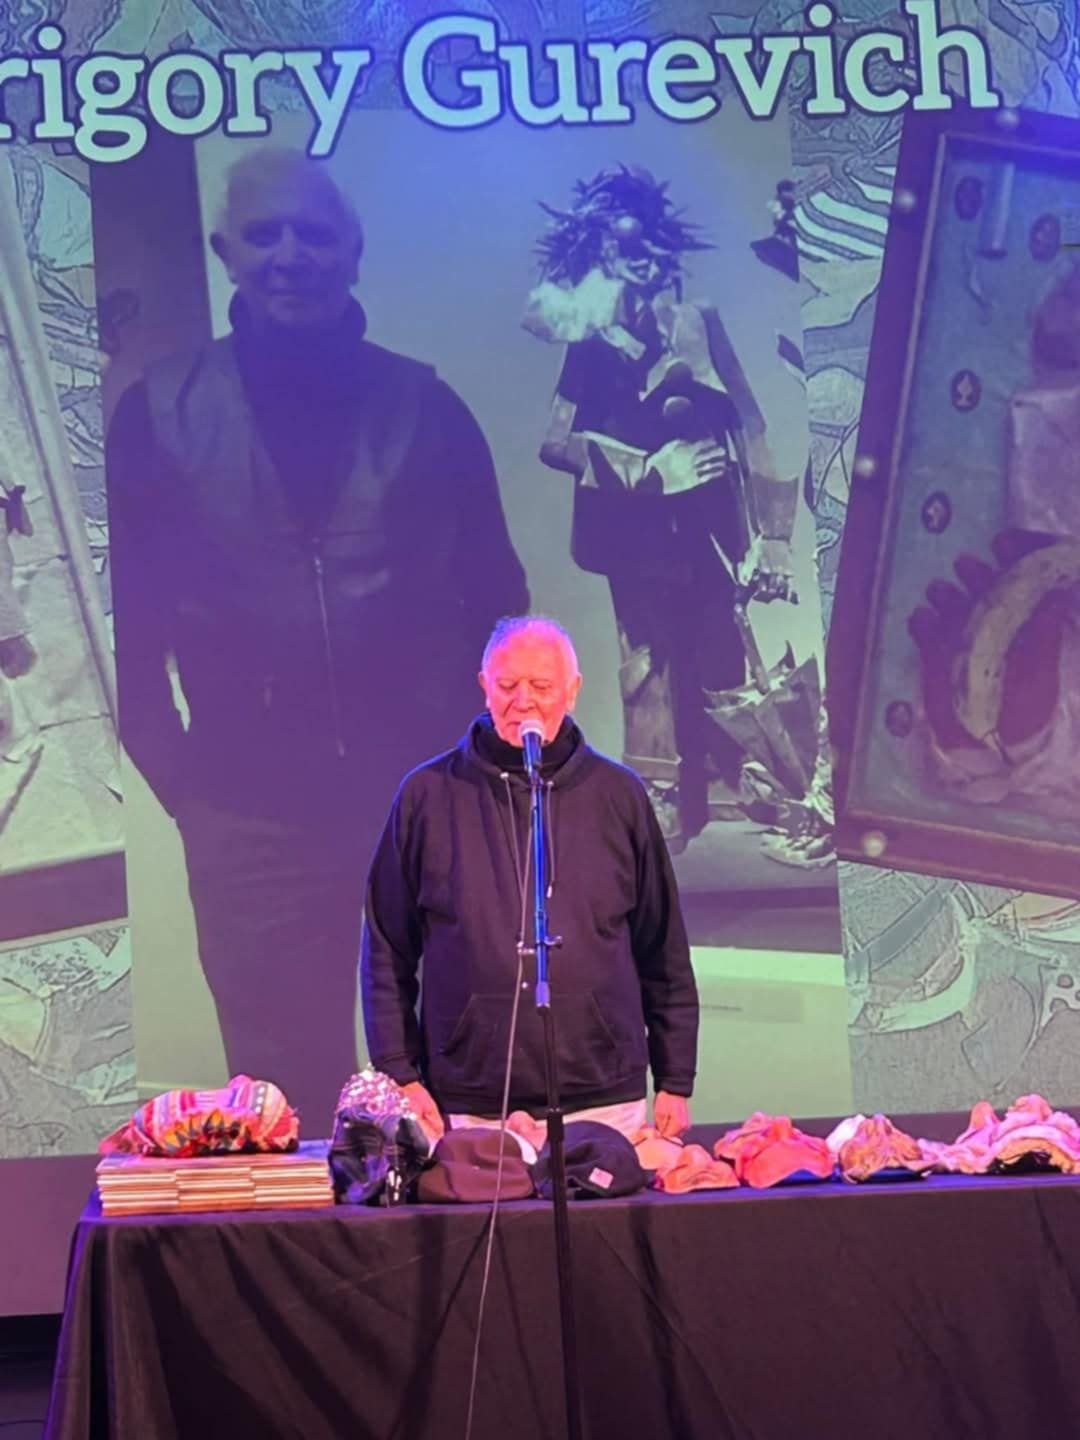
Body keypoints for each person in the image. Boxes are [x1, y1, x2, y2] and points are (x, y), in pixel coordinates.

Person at [106, 148, 528, 1128]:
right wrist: (193, 792)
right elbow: (128, 631)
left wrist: (477, 776)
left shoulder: (427, 408)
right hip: (248, 818)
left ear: (354, 250)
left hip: (416, 804)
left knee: (447, 1082)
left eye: (315, 233)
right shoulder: (158, 416)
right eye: (265, 233)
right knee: (282, 1096)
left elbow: (500, 606)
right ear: (227, 252)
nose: (290, 254)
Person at [523, 166, 799, 854]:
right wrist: (646, 473)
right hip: (633, 536)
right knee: (647, 662)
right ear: (602, 252)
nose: (640, 258)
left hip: (710, 530)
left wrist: (773, 537)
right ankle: (660, 792)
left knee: (723, 647)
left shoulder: (697, 322)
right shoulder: (589, 341)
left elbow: (749, 422)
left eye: (648, 242)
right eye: (623, 245)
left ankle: (744, 778)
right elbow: (556, 442)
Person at [360, 614, 698, 1145]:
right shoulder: (427, 795)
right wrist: (399, 1072)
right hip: (470, 1101)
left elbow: (663, 946)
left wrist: (676, 1078)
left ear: (572, 690)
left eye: (541, 686)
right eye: (507, 685)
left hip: (604, 1097)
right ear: (483, 686)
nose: (524, 701)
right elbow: (386, 949)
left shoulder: (619, 795)